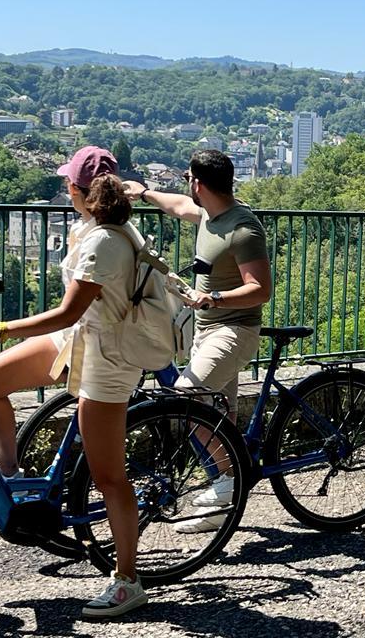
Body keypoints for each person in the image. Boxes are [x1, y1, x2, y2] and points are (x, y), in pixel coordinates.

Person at [0, 146, 148, 618]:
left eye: (65, 184)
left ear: (77, 191)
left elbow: (69, 310)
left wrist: (3, 328)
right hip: (79, 341)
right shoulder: (89, 229)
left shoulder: (106, 242)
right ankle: (12, 481)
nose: (62, 189)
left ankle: (127, 580)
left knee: (109, 476)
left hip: (107, 358)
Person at [123, 149, 271, 529]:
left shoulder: (243, 229)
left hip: (234, 331)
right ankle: (224, 502)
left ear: (198, 183)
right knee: (220, 416)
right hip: (206, 331)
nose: (186, 185)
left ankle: (227, 483)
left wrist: (214, 298)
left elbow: (260, 290)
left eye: (188, 177)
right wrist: (143, 194)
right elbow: (176, 206)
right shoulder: (209, 214)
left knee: (187, 398)